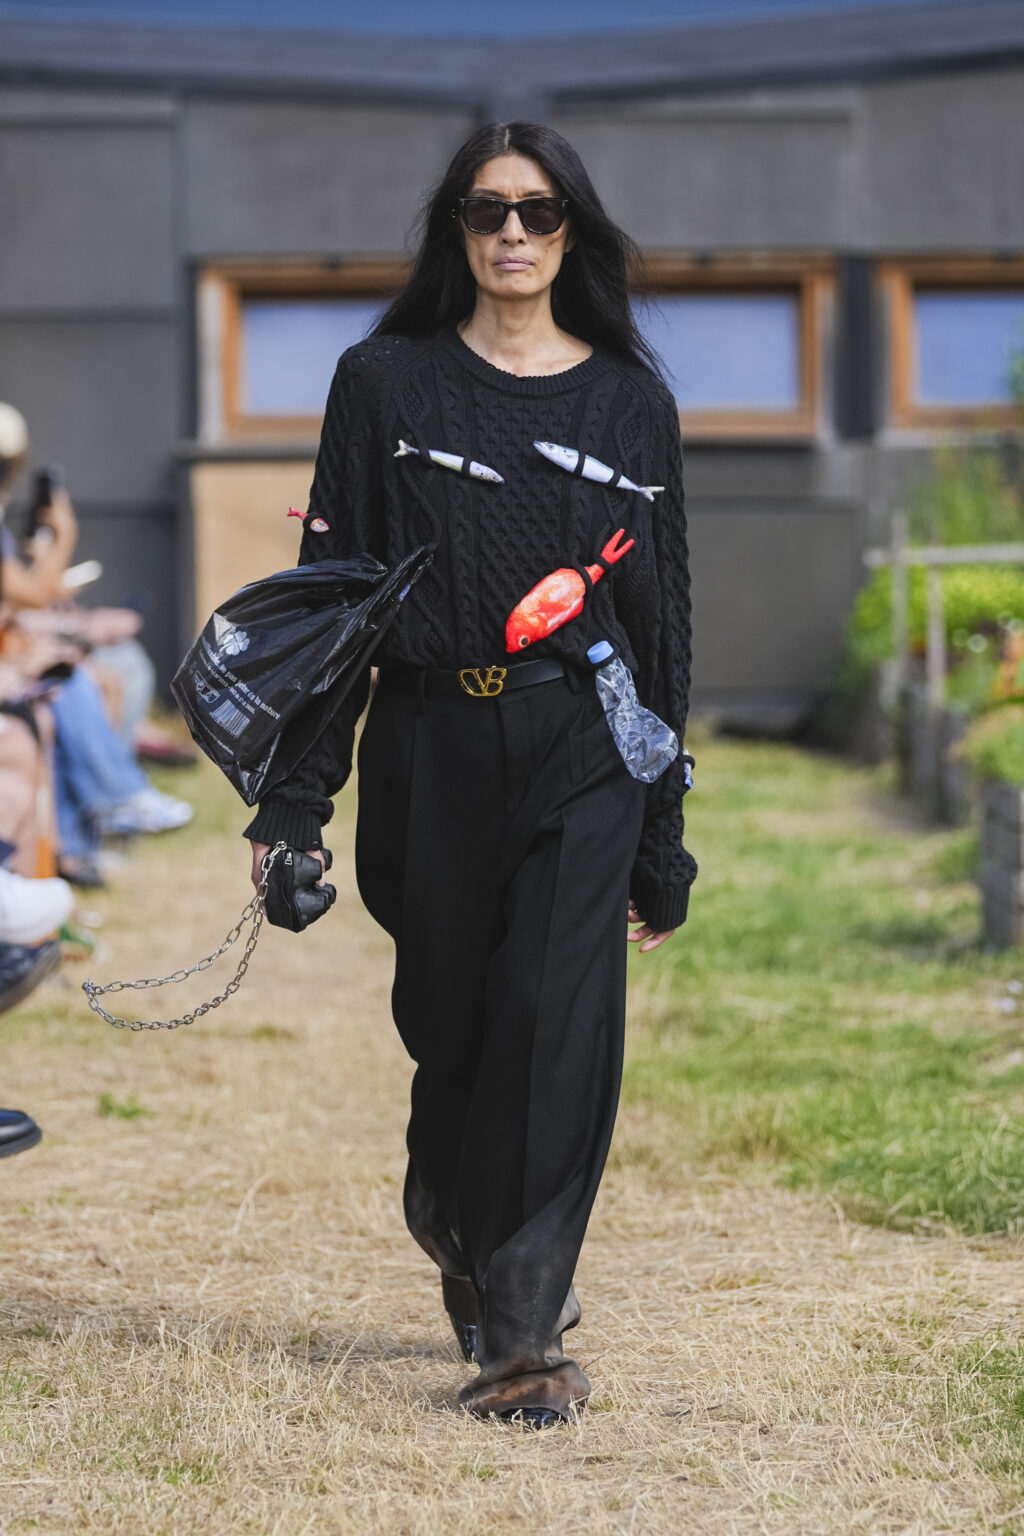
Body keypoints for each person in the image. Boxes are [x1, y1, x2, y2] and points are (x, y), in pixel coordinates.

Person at [245, 122, 696, 1427]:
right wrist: (294, 803)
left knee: (556, 1022)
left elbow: (663, 623)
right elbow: (335, 599)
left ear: (571, 233)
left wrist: (661, 833)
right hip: (427, 743)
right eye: (489, 209)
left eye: (539, 212)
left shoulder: (630, 402)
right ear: (457, 229)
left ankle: (522, 1339)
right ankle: (453, 1216)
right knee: (454, 1032)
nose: (513, 232)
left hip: (582, 739)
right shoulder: (382, 383)